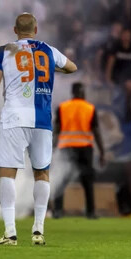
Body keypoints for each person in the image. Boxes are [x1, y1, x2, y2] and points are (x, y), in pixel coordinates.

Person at [0, 12, 77, 246]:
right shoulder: (49, 50)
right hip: (42, 120)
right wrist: (53, 70)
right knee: (42, 173)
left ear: (15, 30)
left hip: (14, 118)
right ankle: (38, 231)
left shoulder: (3, 51)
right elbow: (72, 67)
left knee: (7, 173)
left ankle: (10, 233)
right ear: (36, 30)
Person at [52, 82, 105, 219]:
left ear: (73, 92)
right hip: (85, 148)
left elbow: (56, 131)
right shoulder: (90, 108)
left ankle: (58, 211)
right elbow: (96, 132)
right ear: (82, 92)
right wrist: (102, 152)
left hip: (66, 147)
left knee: (62, 179)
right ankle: (91, 212)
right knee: (87, 180)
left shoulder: (62, 108)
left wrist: (52, 148)